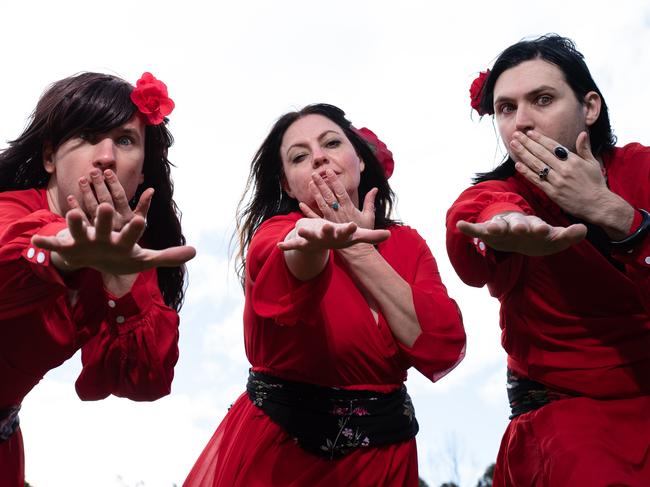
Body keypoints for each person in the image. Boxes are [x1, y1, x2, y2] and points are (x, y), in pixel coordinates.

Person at [183, 103, 466, 486]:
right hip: (283, 459)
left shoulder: (407, 244)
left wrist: (359, 251)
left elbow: (441, 345)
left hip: (386, 463)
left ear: (360, 161)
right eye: (299, 156)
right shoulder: (277, 234)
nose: (318, 157)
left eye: (331, 143)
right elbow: (290, 267)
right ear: (286, 183)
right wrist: (310, 241)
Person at [447, 34, 650, 486]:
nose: (522, 123)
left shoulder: (643, 169)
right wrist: (508, 226)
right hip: (569, 425)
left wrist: (614, 213)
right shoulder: (498, 194)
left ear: (590, 107)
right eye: (505, 108)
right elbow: (477, 217)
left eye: (542, 99)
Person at [0, 71, 196, 486]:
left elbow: (144, 381)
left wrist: (123, 275)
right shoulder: (10, 212)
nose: (106, 155)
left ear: (141, 173)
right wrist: (65, 256)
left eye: (125, 140)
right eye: (89, 136)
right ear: (50, 157)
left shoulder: (125, 260)